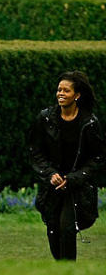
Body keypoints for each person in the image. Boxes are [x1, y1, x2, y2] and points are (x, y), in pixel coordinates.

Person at [27, 71, 106, 261]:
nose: (60, 93)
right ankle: (61, 271)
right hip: (52, 186)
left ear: (77, 95)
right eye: (58, 90)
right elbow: (35, 151)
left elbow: (98, 157)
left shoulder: (90, 123)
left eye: (66, 90)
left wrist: (73, 179)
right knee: (53, 229)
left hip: (76, 188)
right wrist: (50, 174)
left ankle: (68, 274)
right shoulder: (45, 119)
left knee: (67, 228)